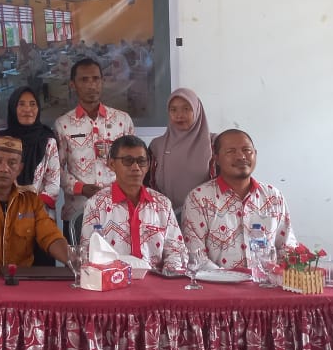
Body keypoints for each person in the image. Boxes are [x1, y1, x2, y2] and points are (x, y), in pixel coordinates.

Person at [181, 129, 297, 272]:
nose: (241, 156)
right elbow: (196, 257)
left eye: (246, 150)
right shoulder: (199, 199)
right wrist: (231, 279)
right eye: (231, 151)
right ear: (216, 158)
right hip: (217, 283)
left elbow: (287, 247)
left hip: (268, 282)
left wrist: (278, 275)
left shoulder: (273, 197)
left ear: (255, 154)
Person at [0, 136, 68, 275]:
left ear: (20, 168)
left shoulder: (31, 201)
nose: (4, 168)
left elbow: (50, 235)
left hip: (19, 280)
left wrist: (72, 260)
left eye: (12, 163)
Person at [81, 135, 186, 272]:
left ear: (148, 165)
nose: (136, 167)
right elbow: (88, 254)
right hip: (113, 279)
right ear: (112, 164)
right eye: (128, 161)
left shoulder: (162, 204)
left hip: (156, 279)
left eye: (141, 161)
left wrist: (167, 277)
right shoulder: (96, 204)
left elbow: (176, 251)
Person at [55, 58, 135, 231]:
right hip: (79, 211)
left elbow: (133, 163)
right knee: (79, 250)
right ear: (72, 85)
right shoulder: (63, 125)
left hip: (118, 210)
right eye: (84, 80)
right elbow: (55, 169)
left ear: (102, 81)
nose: (91, 85)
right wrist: (80, 188)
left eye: (96, 79)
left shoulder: (122, 120)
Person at [147, 88, 216, 215]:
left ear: (197, 110)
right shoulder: (157, 145)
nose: (179, 115)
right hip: (165, 214)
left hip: (206, 214)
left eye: (186, 109)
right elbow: (148, 184)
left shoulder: (214, 143)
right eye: (173, 110)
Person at [0, 87, 60, 209]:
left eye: (32, 104)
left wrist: (30, 205)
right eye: (21, 104)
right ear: (13, 108)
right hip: (6, 209)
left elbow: (53, 184)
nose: (27, 109)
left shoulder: (48, 140)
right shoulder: (1, 140)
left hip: (39, 211)